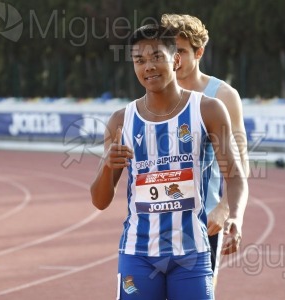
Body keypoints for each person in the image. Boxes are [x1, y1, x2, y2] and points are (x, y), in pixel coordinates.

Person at [90, 24, 248, 300]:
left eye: (156, 57)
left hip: (191, 253)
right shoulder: (120, 121)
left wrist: (234, 215)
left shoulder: (208, 109)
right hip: (138, 254)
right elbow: (100, 201)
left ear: (175, 60)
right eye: (139, 61)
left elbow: (235, 175)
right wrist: (106, 165)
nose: (148, 66)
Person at [161, 13, 250, 285]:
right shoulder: (156, 91)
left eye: (181, 52)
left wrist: (226, 210)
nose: (173, 59)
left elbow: (241, 161)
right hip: (157, 221)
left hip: (203, 221)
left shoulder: (222, 96)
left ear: (199, 52)